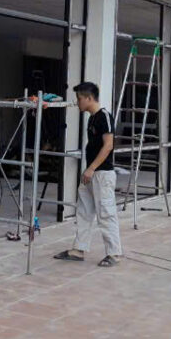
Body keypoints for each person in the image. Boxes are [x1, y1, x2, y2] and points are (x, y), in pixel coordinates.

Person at [53, 81, 122, 267]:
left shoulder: (104, 117)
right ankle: (79, 249)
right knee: (83, 211)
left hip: (102, 174)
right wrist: (89, 170)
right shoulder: (91, 119)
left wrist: (91, 168)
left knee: (105, 213)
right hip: (90, 174)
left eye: (79, 98)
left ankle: (114, 253)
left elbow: (108, 145)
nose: (78, 102)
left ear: (89, 98)